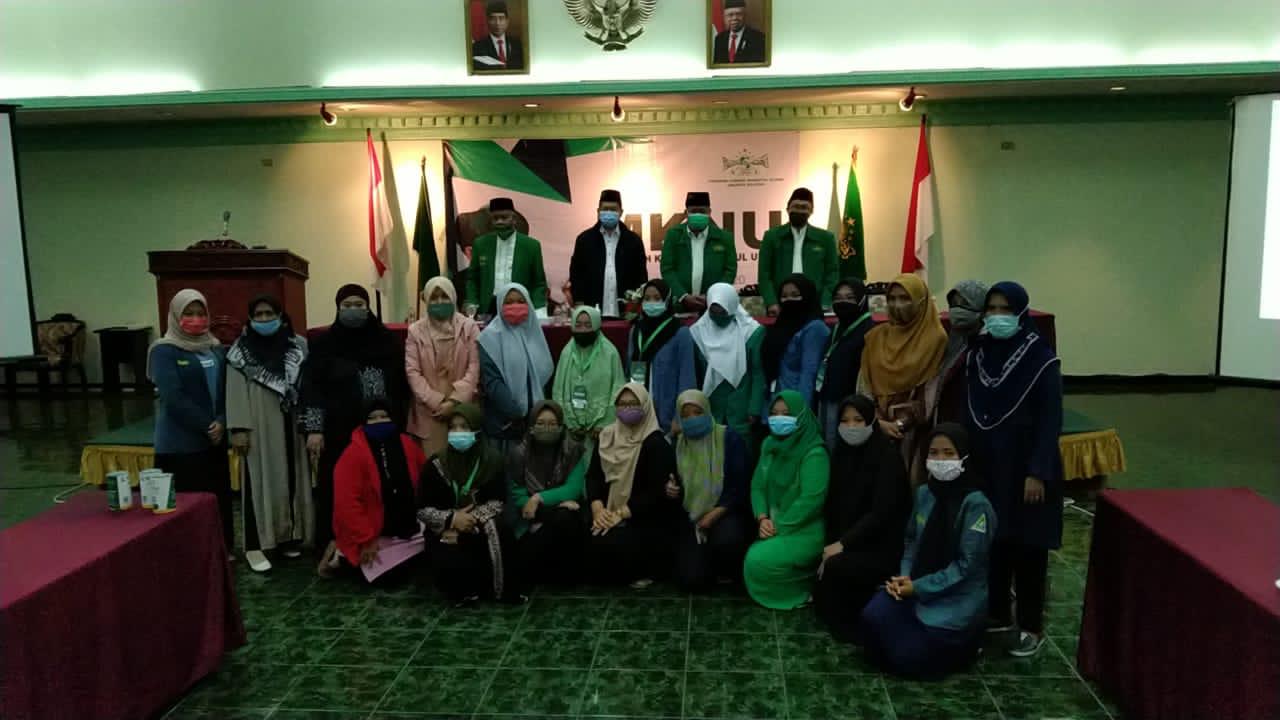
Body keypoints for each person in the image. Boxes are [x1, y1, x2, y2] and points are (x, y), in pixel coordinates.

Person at [965, 281, 1063, 657]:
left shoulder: (1042, 360)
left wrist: (1037, 472)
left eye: (1005, 309)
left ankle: (1031, 626)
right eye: (991, 309)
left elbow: (1050, 420)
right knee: (994, 540)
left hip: (1026, 468)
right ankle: (998, 613)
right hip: (989, 465)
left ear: (1021, 312)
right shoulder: (979, 353)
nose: (996, 316)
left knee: (1028, 546)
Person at [859, 424, 995, 679]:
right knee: (871, 620)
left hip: (955, 596)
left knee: (906, 659)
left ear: (964, 457)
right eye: (933, 453)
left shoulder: (976, 505)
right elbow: (911, 540)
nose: (940, 460)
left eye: (949, 453)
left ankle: (968, 645)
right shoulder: (925, 493)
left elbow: (966, 567)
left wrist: (918, 587)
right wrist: (906, 576)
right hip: (915, 583)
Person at [300, 284, 410, 553]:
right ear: (338, 308)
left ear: (368, 308)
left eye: (359, 305)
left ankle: (382, 543)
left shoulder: (386, 342)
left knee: (380, 483)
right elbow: (312, 389)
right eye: (347, 305)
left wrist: (397, 424)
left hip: (380, 428)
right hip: (338, 432)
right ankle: (334, 546)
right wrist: (315, 429)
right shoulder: (324, 345)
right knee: (338, 486)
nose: (353, 310)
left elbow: (401, 388)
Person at [226, 295, 313, 572]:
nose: (264, 319)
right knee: (258, 481)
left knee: (291, 481)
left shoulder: (297, 347)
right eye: (258, 315)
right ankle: (254, 545)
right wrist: (239, 428)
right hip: (258, 425)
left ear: (280, 316)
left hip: (291, 424)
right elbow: (234, 392)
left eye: (269, 314)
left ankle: (287, 537)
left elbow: (307, 385)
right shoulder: (240, 352)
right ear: (251, 319)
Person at [813, 395, 910, 642]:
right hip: (849, 539)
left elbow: (881, 514)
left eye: (858, 420)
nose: (851, 427)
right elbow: (834, 507)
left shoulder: (887, 457)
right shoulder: (841, 453)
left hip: (878, 545)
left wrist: (842, 544)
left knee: (837, 569)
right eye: (845, 421)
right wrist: (831, 544)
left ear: (871, 421)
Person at [147, 289, 233, 549]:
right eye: (188, 313)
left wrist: (222, 421)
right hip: (180, 443)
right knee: (186, 508)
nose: (196, 319)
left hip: (215, 441)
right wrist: (207, 425)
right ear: (175, 316)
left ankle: (221, 550)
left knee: (217, 500)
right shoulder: (163, 350)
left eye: (200, 313)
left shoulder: (215, 347)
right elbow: (173, 396)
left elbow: (228, 389)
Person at [418, 402, 524, 604]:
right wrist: (452, 520)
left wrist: (468, 520)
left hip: (480, 526)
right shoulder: (436, 464)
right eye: (453, 427)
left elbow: (498, 501)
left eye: (464, 427)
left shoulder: (492, 461)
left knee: (501, 531)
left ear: (476, 430)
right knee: (449, 558)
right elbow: (423, 509)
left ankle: (501, 591)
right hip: (444, 530)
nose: (458, 432)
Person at [584, 383, 682, 588]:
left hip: (641, 516)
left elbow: (656, 493)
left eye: (633, 404)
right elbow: (593, 476)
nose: (627, 408)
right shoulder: (607, 436)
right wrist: (597, 508)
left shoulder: (656, 443)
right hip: (606, 509)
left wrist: (620, 514)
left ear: (645, 406)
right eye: (622, 404)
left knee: (620, 547)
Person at [324, 400, 427, 581]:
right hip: (369, 533)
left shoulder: (407, 445)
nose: (379, 421)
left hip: (407, 529)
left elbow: (425, 478)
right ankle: (341, 555)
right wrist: (366, 539)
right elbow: (346, 505)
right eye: (372, 418)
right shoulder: (352, 454)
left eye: (384, 416)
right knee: (389, 579)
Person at [744, 391, 829, 609]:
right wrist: (762, 518)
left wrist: (777, 527)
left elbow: (811, 500)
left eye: (786, 413)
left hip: (804, 530)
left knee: (757, 560)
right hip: (772, 524)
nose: (779, 419)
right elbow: (757, 485)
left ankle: (805, 587)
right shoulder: (769, 444)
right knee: (748, 556)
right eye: (774, 413)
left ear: (801, 416)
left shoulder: (814, 453)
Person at [858, 273, 947, 471]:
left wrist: (898, 424)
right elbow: (864, 384)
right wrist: (876, 421)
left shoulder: (935, 338)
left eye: (905, 298)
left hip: (913, 433)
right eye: (892, 298)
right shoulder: (876, 336)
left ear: (921, 301)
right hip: (874, 426)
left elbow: (932, 391)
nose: (897, 304)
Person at [671, 390, 752, 590]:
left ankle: (724, 568)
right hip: (691, 515)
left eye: (697, 412)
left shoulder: (728, 438)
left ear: (708, 411)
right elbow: (675, 483)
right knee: (691, 580)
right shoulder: (679, 443)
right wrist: (671, 488)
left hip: (725, 511)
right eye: (685, 415)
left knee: (728, 540)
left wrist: (713, 514)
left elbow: (739, 486)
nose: (692, 419)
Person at [506, 400, 589, 586]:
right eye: (541, 423)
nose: (547, 428)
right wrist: (550, 508)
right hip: (531, 520)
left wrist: (538, 498)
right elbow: (518, 497)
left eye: (552, 424)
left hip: (563, 517)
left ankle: (565, 576)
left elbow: (573, 489)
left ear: (561, 426)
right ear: (531, 426)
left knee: (565, 518)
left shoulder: (573, 450)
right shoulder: (518, 454)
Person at [406, 277, 479, 455]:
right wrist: (436, 402)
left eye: (444, 296)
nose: (440, 301)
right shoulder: (415, 331)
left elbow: (475, 366)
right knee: (434, 464)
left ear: (453, 297)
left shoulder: (469, 327)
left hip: (463, 407)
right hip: (430, 411)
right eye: (434, 297)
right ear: (426, 300)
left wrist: (454, 401)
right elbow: (412, 372)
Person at [478, 283, 554, 446]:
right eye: (509, 302)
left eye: (521, 301)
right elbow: (493, 382)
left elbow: (545, 373)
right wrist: (516, 413)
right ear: (500, 305)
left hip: (536, 423)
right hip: (504, 424)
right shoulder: (489, 338)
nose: (515, 306)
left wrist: (539, 414)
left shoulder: (534, 333)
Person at [689, 282, 765, 442]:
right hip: (710, 407)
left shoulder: (752, 332)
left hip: (741, 407)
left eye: (722, 311)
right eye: (713, 311)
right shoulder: (697, 332)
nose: (718, 316)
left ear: (732, 306)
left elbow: (758, 373)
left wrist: (754, 408)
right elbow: (695, 374)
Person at [624, 279, 697, 433]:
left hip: (667, 418)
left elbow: (687, 379)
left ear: (667, 300)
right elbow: (628, 371)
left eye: (657, 298)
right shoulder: (636, 330)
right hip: (638, 415)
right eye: (647, 298)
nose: (651, 303)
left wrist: (680, 417)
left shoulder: (680, 332)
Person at [758, 188, 839, 314]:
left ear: (811, 211)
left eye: (804, 207)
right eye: (795, 206)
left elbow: (832, 273)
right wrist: (771, 302)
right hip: (781, 303)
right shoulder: (772, 236)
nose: (799, 211)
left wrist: (825, 302)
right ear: (787, 209)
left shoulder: (825, 238)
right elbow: (764, 274)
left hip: (815, 303)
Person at [568, 189, 647, 317]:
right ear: (598, 211)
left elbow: (641, 277)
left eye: (613, 209)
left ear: (621, 212)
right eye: (605, 209)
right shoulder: (584, 240)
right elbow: (576, 275)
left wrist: (635, 306)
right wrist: (579, 303)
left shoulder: (633, 241)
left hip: (626, 314)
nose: (609, 213)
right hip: (592, 314)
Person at [552, 306, 626, 440]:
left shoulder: (610, 353)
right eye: (578, 325)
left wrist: (604, 423)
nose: (583, 330)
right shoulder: (566, 353)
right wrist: (569, 423)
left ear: (597, 326)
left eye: (588, 325)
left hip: (602, 430)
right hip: (572, 429)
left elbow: (618, 388)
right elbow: (558, 390)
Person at [815, 279, 874, 447]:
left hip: (852, 403)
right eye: (838, 298)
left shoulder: (870, 330)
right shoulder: (837, 327)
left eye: (850, 298)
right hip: (828, 396)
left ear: (862, 300)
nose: (843, 302)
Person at [465, 198, 548, 314]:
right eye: (495, 218)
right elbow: (472, 279)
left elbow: (539, 283)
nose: (499, 222)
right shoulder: (481, 244)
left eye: (504, 218)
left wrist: (539, 312)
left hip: (519, 308)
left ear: (514, 219)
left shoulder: (532, 246)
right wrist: (472, 303)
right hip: (488, 309)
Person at [761, 274, 830, 409]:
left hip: (796, 404)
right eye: (784, 296)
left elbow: (809, 374)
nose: (789, 300)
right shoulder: (781, 325)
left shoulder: (814, 328)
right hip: (775, 401)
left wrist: (800, 411)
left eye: (795, 295)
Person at [660, 191, 737, 313]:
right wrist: (683, 296)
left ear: (709, 212)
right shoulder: (673, 235)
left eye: (702, 211)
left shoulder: (724, 237)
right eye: (693, 211)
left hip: (714, 306)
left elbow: (730, 270)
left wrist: (713, 296)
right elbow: (667, 269)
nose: (698, 214)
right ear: (686, 213)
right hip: (679, 304)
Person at [931, 280, 988, 425]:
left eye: (965, 304)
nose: (957, 309)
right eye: (954, 304)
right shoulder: (954, 337)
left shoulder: (988, 344)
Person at [471, 0, 524, 71]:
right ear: (487, 21)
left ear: (507, 21)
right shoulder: (478, 47)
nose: (497, 23)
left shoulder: (517, 44)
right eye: (493, 18)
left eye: (501, 18)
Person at [712, 0, 767, 64]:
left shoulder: (758, 38)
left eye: (739, 14)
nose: (735, 18)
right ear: (724, 17)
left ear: (745, 15)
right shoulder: (719, 39)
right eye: (730, 15)